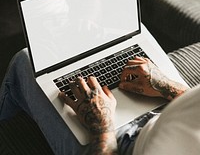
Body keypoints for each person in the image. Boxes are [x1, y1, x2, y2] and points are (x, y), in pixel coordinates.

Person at [0, 48, 200, 155]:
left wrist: (101, 127)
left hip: (120, 146)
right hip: (162, 115)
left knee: (27, 60)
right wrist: (167, 87)